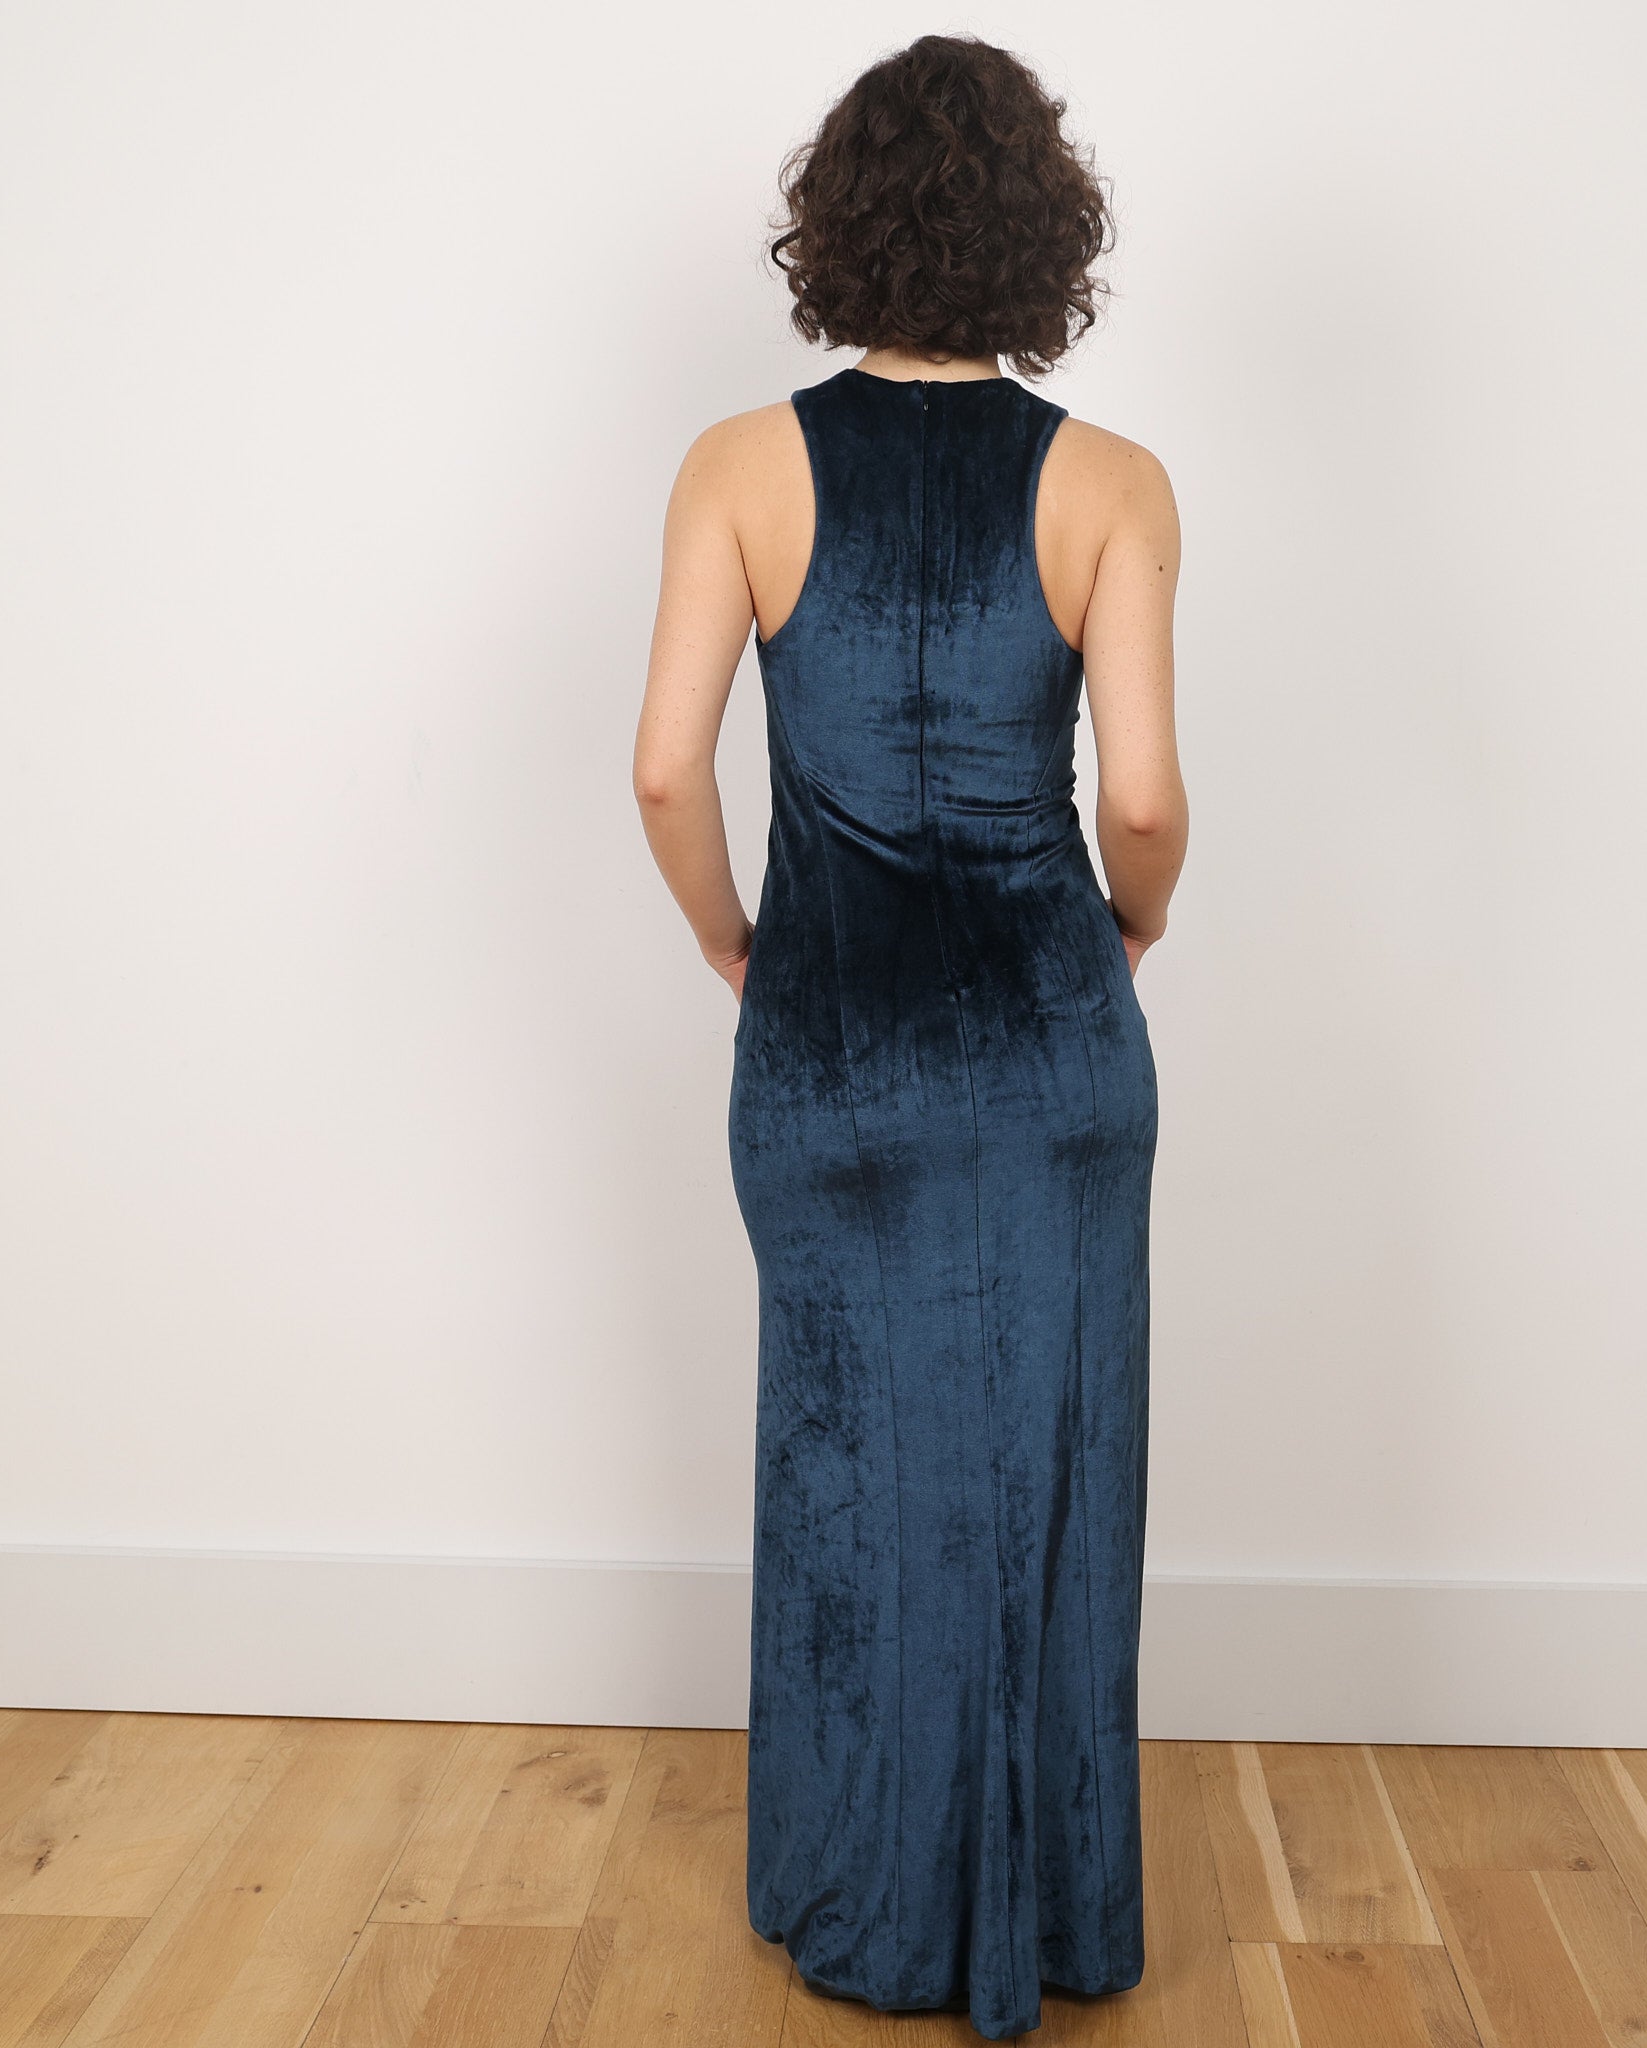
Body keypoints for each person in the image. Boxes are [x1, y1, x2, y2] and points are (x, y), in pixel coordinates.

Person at [632, 33, 1187, 2041]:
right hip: (1049, 1046)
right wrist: (1136, 919)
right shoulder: (1113, 483)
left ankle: (849, 1895)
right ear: (1045, 235)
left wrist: (737, 947)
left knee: (847, 1460)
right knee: (1044, 1472)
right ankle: (1047, 1918)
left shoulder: (737, 467)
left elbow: (665, 769)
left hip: (833, 1044)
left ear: (839, 224)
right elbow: (1139, 801)